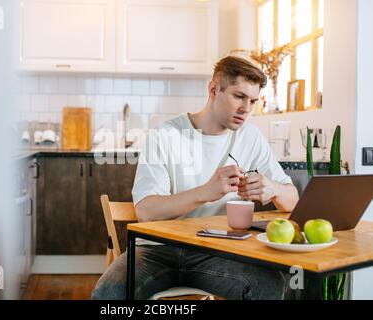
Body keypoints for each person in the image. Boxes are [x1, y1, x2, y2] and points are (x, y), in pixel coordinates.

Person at [92, 56, 299, 300]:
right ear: (213, 89)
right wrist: (206, 191)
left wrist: (272, 188)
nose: (246, 109)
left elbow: (293, 200)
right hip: (155, 250)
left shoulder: (250, 138)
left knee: (269, 284)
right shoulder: (164, 136)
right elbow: (146, 212)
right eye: (239, 96)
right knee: (109, 292)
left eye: (252, 101)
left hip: (218, 252)